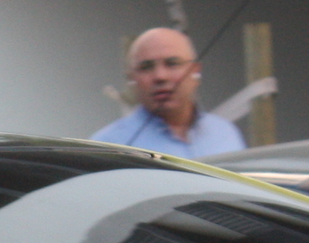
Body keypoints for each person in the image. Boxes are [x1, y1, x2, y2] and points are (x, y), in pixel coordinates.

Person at [93, 28, 245, 157]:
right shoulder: (110, 145)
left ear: (195, 72)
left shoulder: (225, 132)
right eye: (146, 67)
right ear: (132, 79)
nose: (160, 76)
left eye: (172, 64)